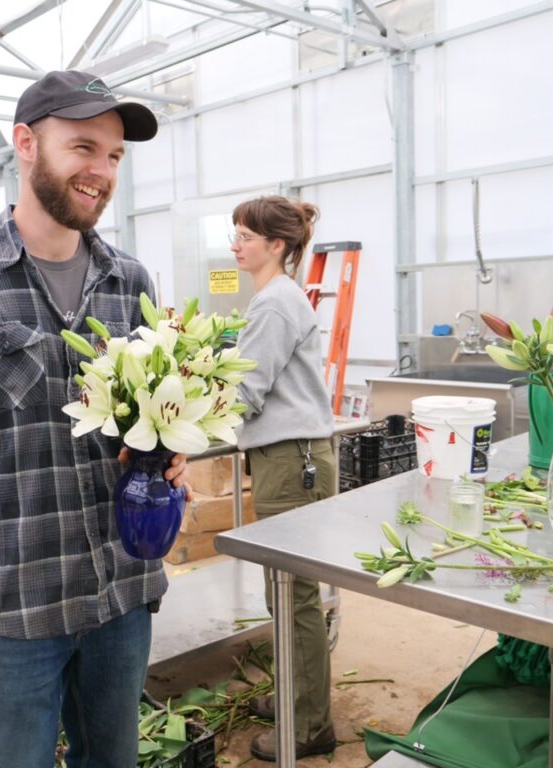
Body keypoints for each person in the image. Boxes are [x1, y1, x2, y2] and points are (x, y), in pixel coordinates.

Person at [0, 70, 189, 768]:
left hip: (121, 590)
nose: (101, 171)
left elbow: (144, 420)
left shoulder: (132, 284)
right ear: (26, 143)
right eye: (83, 147)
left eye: (114, 156)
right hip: (12, 604)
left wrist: (167, 451)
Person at [230, 195, 338, 761]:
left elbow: (247, 390)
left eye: (246, 235)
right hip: (290, 458)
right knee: (286, 593)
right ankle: (297, 695)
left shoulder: (274, 304)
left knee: (294, 597)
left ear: (277, 245)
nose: (236, 244)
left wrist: (180, 418)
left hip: (291, 462)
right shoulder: (277, 298)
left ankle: (311, 725)